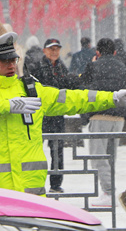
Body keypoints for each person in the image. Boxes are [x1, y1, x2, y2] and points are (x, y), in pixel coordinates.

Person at [0, 31, 126, 195]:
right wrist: (6, 106)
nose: (11, 65)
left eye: (13, 59)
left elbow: (71, 98)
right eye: (4, 61)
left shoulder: (30, 90)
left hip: (32, 193)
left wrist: (112, 98)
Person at [80, 37, 126, 207]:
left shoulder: (93, 66)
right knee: (111, 156)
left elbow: (84, 89)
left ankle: (108, 192)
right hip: (119, 116)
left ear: (98, 52)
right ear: (115, 52)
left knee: (99, 156)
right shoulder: (123, 67)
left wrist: (84, 116)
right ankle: (109, 190)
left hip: (99, 114)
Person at [30, 38, 77, 194]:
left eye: (57, 49)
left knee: (57, 150)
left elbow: (67, 87)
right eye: (51, 49)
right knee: (35, 150)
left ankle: (56, 184)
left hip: (57, 115)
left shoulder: (62, 67)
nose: (54, 52)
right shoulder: (37, 67)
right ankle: (35, 183)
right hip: (41, 114)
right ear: (44, 50)